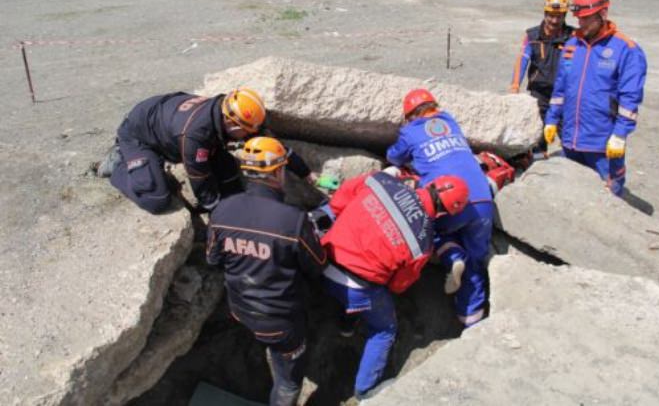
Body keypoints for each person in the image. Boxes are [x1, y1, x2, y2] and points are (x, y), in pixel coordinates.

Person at [320, 170, 469, 399]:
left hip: (323, 260)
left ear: (430, 185)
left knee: (362, 292)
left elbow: (340, 200)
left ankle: (346, 324)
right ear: (444, 213)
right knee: (384, 329)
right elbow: (398, 285)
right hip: (358, 288)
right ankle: (365, 390)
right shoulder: (422, 241)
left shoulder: (381, 180)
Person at [207, 137, 327, 406]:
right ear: (277, 171)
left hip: (240, 309)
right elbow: (317, 266)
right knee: (288, 382)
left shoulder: (222, 210)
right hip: (281, 324)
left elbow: (213, 260)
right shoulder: (292, 220)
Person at [98, 88, 313, 214]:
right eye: (248, 132)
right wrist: (220, 218)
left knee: (228, 170)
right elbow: (202, 186)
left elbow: (273, 147)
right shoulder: (195, 136)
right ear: (233, 125)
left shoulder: (229, 114)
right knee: (156, 198)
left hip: (169, 124)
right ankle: (118, 163)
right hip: (140, 134)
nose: (252, 136)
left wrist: (305, 173)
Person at [386, 88, 494, 328]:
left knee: (428, 231)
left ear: (411, 115)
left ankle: (454, 256)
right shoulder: (450, 121)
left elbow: (393, 157)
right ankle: (471, 319)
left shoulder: (410, 131)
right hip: (483, 201)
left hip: (450, 198)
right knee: (477, 261)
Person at [543, 0, 647, 197]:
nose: (581, 23)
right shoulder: (573, 45)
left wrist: (620, 134)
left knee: (607, 198)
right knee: (569, 195)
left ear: (603, 14)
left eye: (586, 18)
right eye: (579, 18)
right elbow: (561, 87)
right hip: (571, 140)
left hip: (603, 146)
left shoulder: (626, 49)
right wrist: (552, 119)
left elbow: (630, 99)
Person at [510, 0, 575, 154]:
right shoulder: (532, 36)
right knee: (538, 135)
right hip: (540, 93)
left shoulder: (573, 37)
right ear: (545, 13)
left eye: (559, 16)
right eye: (551, 15)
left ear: (565, 15)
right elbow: (523, 58)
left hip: (566, 95)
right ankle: (539, 167)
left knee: (568, 134)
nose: (555, 20)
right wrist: (515, 86)